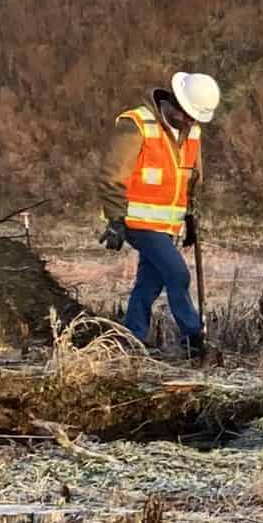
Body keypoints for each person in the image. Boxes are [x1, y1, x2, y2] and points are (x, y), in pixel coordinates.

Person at [99, 71, 219, 360]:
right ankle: (193, 339)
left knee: (149, 284)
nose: (190, 123)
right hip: (137, 222)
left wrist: (189, 216)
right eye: (187, 115)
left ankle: (131, 338)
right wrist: (116, 219)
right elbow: (111, 177)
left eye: (195, 119)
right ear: (174, 101)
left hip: (168, 225)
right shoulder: (136, 125)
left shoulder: (193, 132)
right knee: (178, 275)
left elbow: (191, 178)